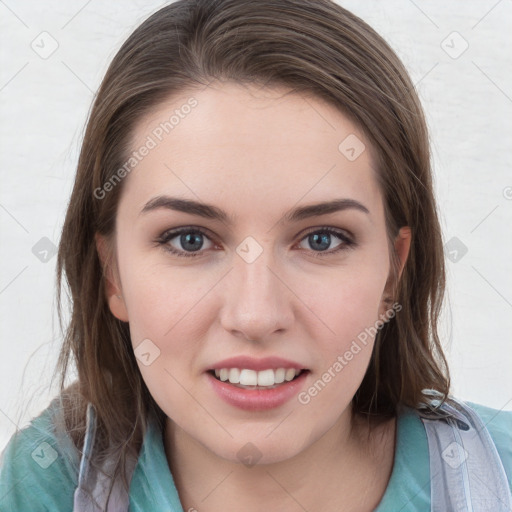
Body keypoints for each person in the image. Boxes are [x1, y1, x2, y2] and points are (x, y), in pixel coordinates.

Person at [0, 0, 510, 511]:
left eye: (321, 239)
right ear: (112, 274)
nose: (256, 315)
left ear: (393, 274)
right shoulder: (44, 485)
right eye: (189, 239)